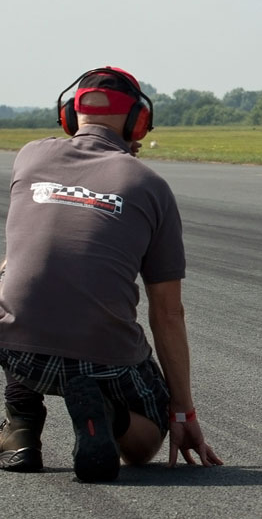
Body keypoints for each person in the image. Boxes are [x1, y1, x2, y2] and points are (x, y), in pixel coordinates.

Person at [0, 67, 222, 482]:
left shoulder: (29, 156)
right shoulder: (150, 185)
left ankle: (21, 428)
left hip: (19, 353)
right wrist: (182, 412)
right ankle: (107, 414)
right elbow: (168, 313)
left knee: (14, 275)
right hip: (103, 360)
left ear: (70, 115)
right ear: (138, 121)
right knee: (146, 440)